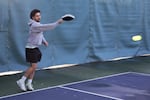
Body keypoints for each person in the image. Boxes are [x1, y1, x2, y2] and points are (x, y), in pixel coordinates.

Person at [17, 9, 64, 91]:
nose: (39, 17)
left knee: (34, 67)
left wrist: (44, 41)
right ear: (33, 17)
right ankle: (22, 80)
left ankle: (29, 83)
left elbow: (40, 34)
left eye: (39, 15)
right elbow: (47, 27)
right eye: (37, 16)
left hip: (35, 48)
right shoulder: (34, 25)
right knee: (33, 67)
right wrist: (57, 22)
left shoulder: (37, 25)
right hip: (30, 49)